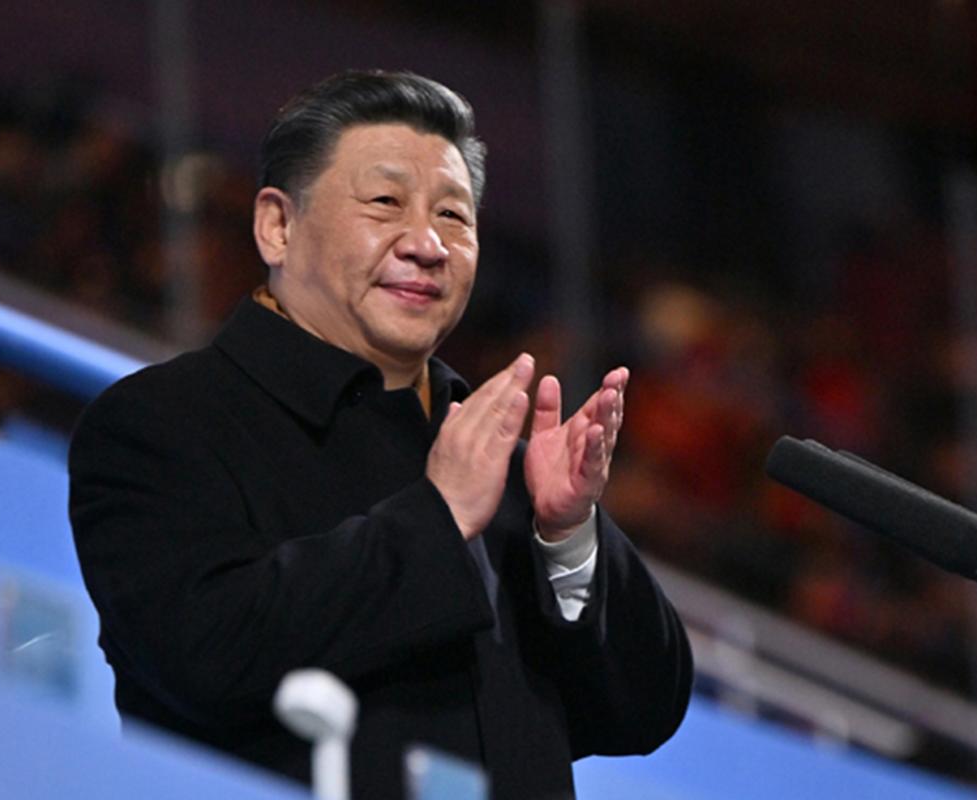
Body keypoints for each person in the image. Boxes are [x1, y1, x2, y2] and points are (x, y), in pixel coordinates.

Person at [69, 70, 692, 800]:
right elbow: (200, 655)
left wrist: (568, 537)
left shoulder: (502, 465)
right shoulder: (161, 420)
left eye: (453, 216)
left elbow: (643, 712)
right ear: (277, 226)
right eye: (385, 203)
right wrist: (438, 518)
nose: (427, 244)